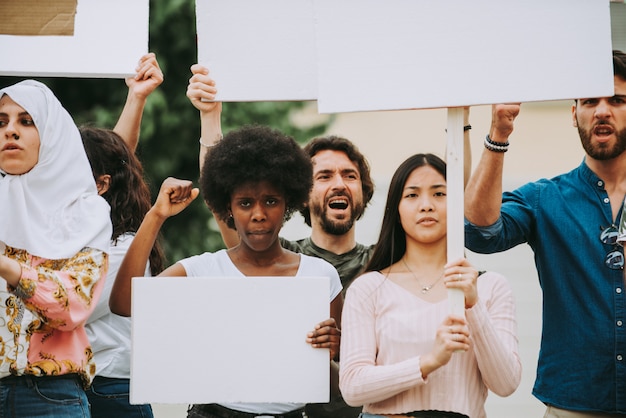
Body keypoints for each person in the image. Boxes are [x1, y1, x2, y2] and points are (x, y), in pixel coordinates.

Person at [186, 64, 474, 418]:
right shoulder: (283, 259)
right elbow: (226, 196)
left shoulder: (385, 264)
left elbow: (453, 204)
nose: (339, 183)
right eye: (324, 175)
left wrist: (464, 121)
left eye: (349, 175)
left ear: (363, 191)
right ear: (302, 194)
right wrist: (210, 117)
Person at [110, 124, 343, 418]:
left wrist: (332, 353)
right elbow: (122, 304)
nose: (258, 214)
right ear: (228, 208)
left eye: (270, 201)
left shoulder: (321, 277)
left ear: (288, 205)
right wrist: (156, 215)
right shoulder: (202, 269)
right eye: (245, 203)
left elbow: (333, 383)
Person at [464, 49, 626, 417]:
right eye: (590, 101)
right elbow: (479, 232)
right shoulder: (544, 198)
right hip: (571, 402)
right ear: (575, 114)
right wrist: (498, 133)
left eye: (617, 100)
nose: (602, 110)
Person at [340, 153, 521, 418]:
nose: (426, 205)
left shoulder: (490, 287)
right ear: (396, 209)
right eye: (412, 195)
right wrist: (429, 362)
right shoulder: (369, 288)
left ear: (458, 204)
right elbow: (353, 387)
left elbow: (505, 384)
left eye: (439, 194)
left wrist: (474, 305)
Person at [0, 79, 111, 417]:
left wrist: (8, 268)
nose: (11, 132)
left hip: (48, 397)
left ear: (52, 132)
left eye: (26, 120)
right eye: (1, 122)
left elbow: (74, 304)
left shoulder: (84, 213)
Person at [81, 52, 164, 418]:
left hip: (108, 390)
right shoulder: (89, 237)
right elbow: (113, 158)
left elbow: (69, 308)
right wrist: (136, 98)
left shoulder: (122, 248)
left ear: (100, 185)